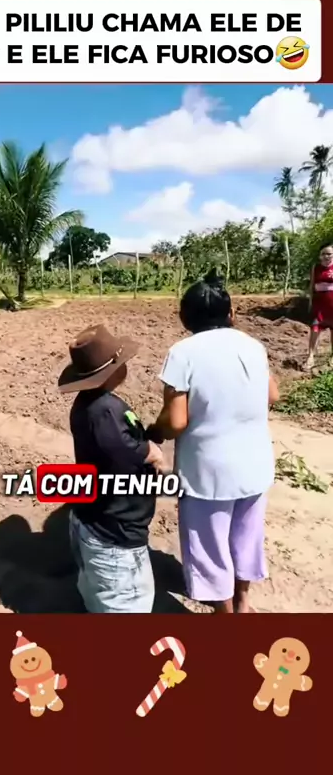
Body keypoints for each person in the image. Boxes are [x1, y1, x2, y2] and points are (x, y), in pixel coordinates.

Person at [150, 270, 279, 614]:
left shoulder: (182, 353)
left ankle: (225, 616)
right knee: (246, 536)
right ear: (231, 314)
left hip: (207, 471)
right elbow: (272, 395)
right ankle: (243, 604)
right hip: (255, 463)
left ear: (184, 318)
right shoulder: (253, 346)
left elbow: (176, 421)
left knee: (208, 544)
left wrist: (155, 431)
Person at [58, 323, 165, 613]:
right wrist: (151, 453)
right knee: (127, 607)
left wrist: (147, 440)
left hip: (95, 522)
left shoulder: (93, 404)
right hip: (114, 536)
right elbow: (124, 452)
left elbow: (115, 446)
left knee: (99, 598)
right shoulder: (105, 410)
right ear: (111, 371)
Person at [304, 244, 333, 370]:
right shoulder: (315, 268)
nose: (326, 256)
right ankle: (310, 356)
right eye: (323, 254)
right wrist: (310, 302)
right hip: (319, 305)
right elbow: (312, 285)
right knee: (315, 328)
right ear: (319, 256)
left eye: (329, 254)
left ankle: (332, 357)